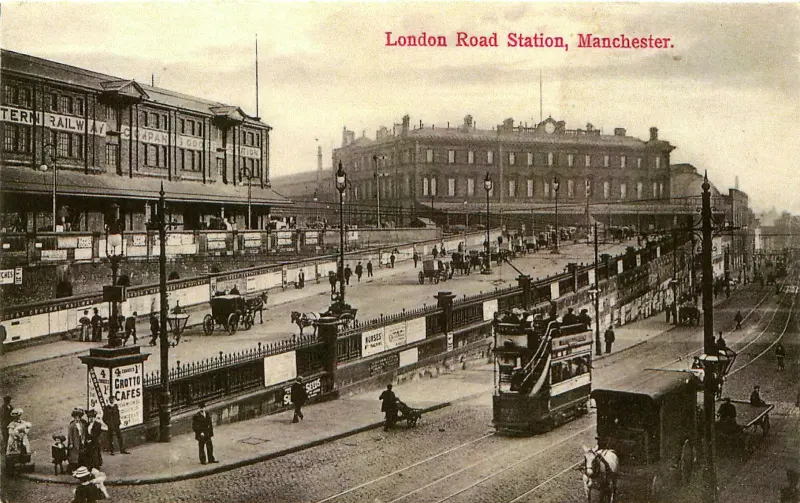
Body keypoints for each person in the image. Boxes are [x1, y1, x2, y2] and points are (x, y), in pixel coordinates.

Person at [67, 408, 86, 472]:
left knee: (80, 454)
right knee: (74, 456)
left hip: (80, 440)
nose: (77, 419)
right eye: (76, 418)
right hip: (75, 441)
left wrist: (83, 439)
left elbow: (83, 433)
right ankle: (73, 469)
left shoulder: (82, 424)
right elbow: (70, 435)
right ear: (74, 418)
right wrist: (71, 443)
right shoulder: (72, 425)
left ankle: (80, 468)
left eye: (78, 418)